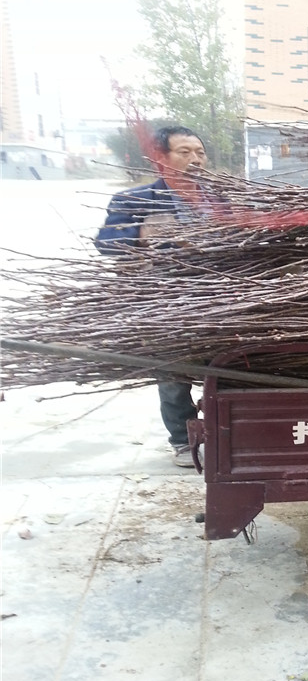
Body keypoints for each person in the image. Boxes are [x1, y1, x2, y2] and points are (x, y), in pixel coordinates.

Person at [96, 125, 209, 467]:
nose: (196, 160)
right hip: (164, 297)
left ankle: (221, 431)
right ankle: (181, 438)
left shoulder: (219, 199)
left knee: (224, 369)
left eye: (200, 153)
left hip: (216, 295)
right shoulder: (135, 200)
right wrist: (141, 237)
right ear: (162, 159)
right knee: (173, 374)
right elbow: (106, 243)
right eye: (185, 152)